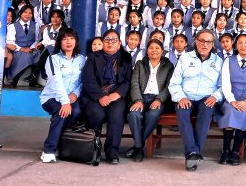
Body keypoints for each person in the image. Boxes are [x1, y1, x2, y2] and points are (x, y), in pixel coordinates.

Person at [168, 29, 224, 171]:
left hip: (207, 97)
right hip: (186, 96)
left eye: (209, 42)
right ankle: (193, 153)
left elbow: (223, 86)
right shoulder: (185, 58)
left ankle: (192, 154)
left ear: (213, 44)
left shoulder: (218, 61)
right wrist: (181, 97)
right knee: (183, 114)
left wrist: (215, 96)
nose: (205, 44)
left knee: (206, 114)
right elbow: (174, 83)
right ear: (196, 42)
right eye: (202, 41)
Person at [80, 29, 133, 164]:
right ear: (103, 42)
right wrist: (100, 96)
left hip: (116, 95)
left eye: (114, 40)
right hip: (95, 95)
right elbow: (87, 80)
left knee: (116, 115)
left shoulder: (126, 57)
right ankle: (93, 148)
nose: (110, 43)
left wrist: (118, 94)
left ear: (119, 43)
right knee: (97, 114)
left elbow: (128, 80)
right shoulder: (93, 57)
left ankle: (112, 152)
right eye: (107, 40)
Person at [39, 29, 85, 163]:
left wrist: (75, 93)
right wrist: (65, 102)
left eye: (71, 38)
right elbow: (56, 81)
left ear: (76, 41)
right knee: (61, 112)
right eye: (64, 39)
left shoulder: (82, 59)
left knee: (76, 111)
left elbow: (83, 81)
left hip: (71, 97)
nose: (68, 42)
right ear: (59, 42)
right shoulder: (53, 59)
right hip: (51, 97)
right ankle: (48, 150)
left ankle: (59, 141)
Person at [216, 34, 246, 166]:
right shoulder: (228, 61)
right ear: (235, 45)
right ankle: (226, 150)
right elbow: (225, 84)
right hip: (231, 100)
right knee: (230, 111)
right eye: (240, 43)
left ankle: (235, 151)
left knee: (244, 112)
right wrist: (232, 100)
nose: (243, 45)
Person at [127, 39, 174, 162]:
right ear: (146, 51)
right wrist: (138, 100)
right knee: (133, 115)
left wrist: (159, 100)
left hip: (159, 99)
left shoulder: (168, 65)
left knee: (152, 115)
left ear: (162, 51)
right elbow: (134, 83)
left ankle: (138, 146)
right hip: (141, 98)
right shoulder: (140, 64)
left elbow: (169, 86)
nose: (154, 50)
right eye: (151, 48)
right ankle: (139, 147)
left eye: (157, 48)